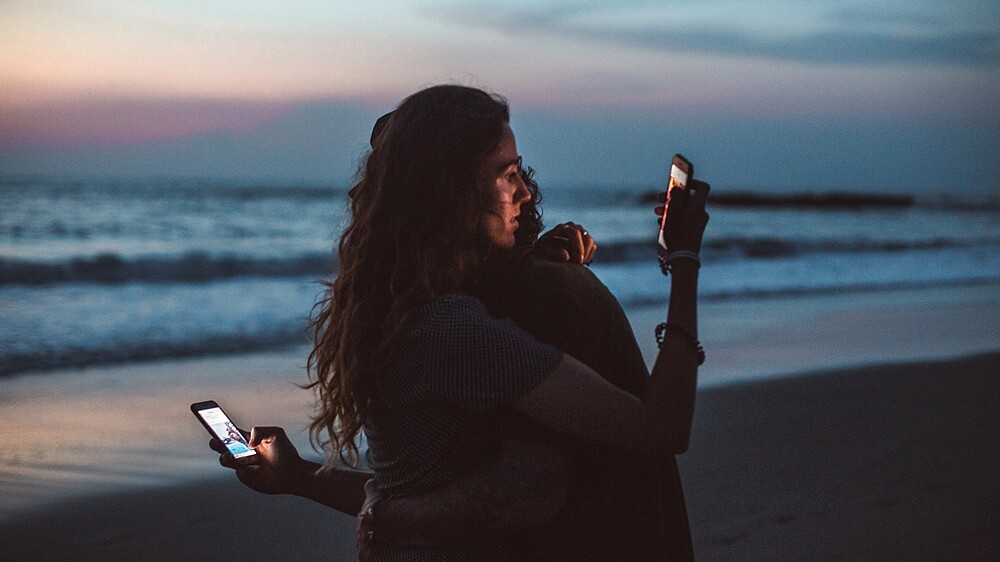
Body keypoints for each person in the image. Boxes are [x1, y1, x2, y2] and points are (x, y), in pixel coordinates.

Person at [213, 84, 709, 560]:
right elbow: (660, 427)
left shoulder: (399, 309)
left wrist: (298, 476)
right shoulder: (453, 329)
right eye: (506, 173)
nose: (527, 193)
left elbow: (402, 493)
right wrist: (684, 262)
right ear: (452, 193)